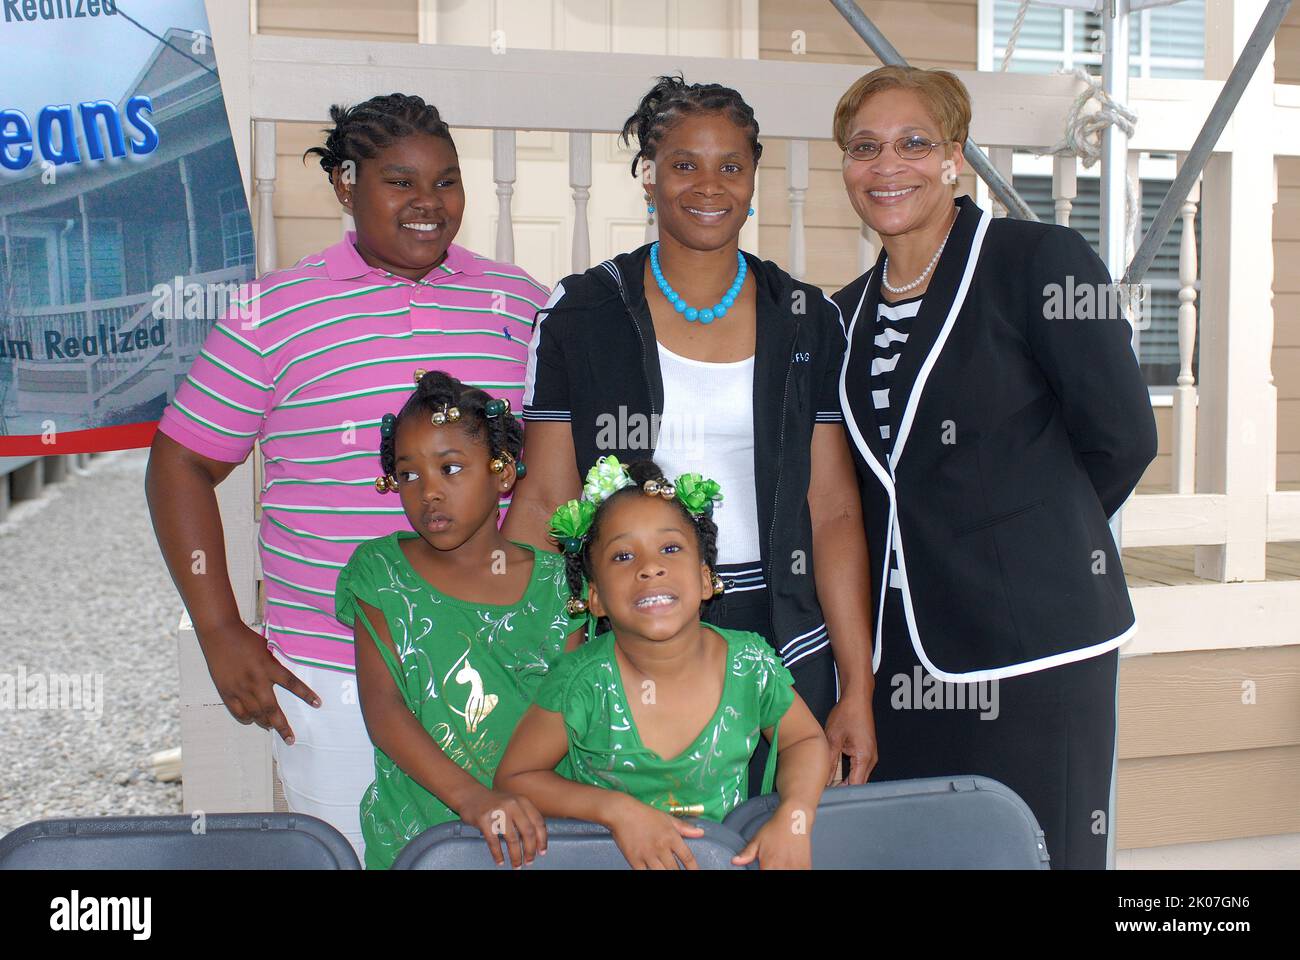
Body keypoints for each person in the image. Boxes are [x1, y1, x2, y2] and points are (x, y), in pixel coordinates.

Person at [145, 93, 548, 858]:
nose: (429, 203)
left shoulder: (519, 303)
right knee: (353, 856)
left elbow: (549, 471)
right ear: (345, 184)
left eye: (447, 181)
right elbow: (181, 464)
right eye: (401, 182)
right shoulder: (274, 312)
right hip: (329, 677)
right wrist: (221, 628)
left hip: (499, 668)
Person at [504, 76, 876, 793]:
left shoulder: (806, 316)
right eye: (684, 164)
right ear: (649, 176)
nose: (709, 185)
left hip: (783, 626)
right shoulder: (584, 310)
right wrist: (539, 649)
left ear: (753, 179)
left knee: (778, 829)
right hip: (631, 621)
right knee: (646, 832)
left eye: (730, 165)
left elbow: (831, 511)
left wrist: (856, 685)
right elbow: (544, 496)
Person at [830, 65, 1158, 869]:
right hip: (901, 660)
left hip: (1034, 647)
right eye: (864, 147)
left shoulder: (1038, 260)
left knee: (1039, 854)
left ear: (954, 158)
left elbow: (1121, 436)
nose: (887, 165)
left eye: (914, 143)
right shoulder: (843, 311)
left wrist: (1028, 534)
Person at [496, 457, 829, 869]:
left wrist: (795, 815)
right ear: (594, 596)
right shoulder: (581, 683)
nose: (650, 568)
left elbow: (806, 741)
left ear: (706, 579)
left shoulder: (748, 664)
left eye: (670, 549)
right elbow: (515, 779)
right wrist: (616, 811)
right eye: (622, 556)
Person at [335, 371, 582, 870]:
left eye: (450, 469)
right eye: (408, 475)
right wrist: (473, 800)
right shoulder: (381, 574)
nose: (428, 492)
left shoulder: (560, 586)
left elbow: (570, 716)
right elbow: (384, 711)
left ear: (503, 472)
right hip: (417, 838)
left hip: (542, 840)